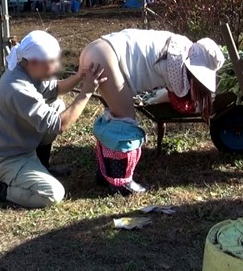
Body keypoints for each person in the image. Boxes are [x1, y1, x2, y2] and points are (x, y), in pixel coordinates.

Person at [79, 29, 225, 195]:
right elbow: (179, 98)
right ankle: (121, 183)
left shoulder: (180, 44)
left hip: (96, 50)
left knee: (113, 121)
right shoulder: (176, 62)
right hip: (105, 58)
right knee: (125, 124)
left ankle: (106, 174)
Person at [0, 30, 106, 208]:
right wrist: (86, 93)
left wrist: (79, 77)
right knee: (52, 194)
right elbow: (59, 125)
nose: (56, 67)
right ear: (34, 62)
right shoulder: (17, 87)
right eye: (52, 62)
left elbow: (55, 89)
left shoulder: (29, 72)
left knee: (56, 105)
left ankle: (41, 164)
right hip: (4, 159)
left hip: (20, 147)